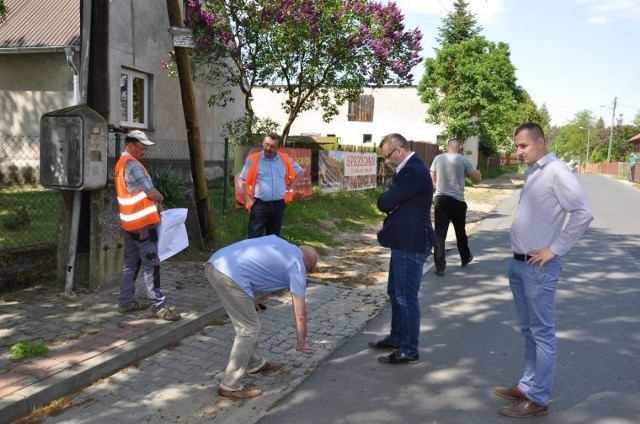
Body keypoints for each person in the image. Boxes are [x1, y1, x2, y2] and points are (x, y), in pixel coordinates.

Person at [494, 122, 593, 418]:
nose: (518, 151)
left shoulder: (556, 171)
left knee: (542, 333)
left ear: (540, 142)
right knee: (528, 331)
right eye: (516, 146)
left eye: (523, 146)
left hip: (539, 268)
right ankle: (527, 385)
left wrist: (555, 249)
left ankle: (537, 399)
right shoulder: (534, 170)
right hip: (520, 264)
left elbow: (583, 212)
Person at [205, 235, 317, 400]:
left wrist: (251, 298)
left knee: (248, 324)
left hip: (215, 264)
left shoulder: (280, 244)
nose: (308, 271)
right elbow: (300, 314)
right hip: (229, 274)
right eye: (311, 268)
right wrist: (301, 342)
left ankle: (256, 364)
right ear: (307, 259)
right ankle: (229, 386)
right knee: (248, 329)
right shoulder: (297, 266)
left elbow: (255, 265)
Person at [369, 133, 435, 365]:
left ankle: (409, 349)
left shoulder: (412, 171)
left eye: (387, 156)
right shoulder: (410, 169)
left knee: (406, 297)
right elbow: (392, 201)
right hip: (403, 240)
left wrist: (386, 198)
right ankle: (397, 337)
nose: (386, 161)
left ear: (399, 150)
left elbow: (385, 202)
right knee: (394, 292)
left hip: (411, 241)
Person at [114, 130, 181, 321]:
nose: (145, 151)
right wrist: (161, 198)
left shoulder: (120, 164)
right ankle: (159, 306)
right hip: (142, 225)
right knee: (152, 264)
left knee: (130, 264)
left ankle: (125, 302)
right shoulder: (132, 165)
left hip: (129, 223)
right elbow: (150, 192)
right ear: (131, 145)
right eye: (142, 147)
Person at [430, 139, 482, 276]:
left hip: (440, 199)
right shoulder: (463, 160)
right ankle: (465, 258)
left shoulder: (438, 158)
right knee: (460, 231)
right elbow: (478, 178)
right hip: (457, 200)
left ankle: (440, 267)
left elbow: (432, 176)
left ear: (448, 147)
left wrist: (436, 187)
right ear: (460, 148)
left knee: (440, 234)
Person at [239, 132, 303, 238]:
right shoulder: (253, 159)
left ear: (278, 147)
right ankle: (254, 255)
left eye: (272, 146)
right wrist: (249, 200)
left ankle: (270, 255)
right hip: (259, 205)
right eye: (266, 144)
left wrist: (291, 187)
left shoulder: (285, 159)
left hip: (278, 205)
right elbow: (242, 180)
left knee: (273, 237)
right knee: (255, 236)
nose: (268, 148)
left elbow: (300, 172)